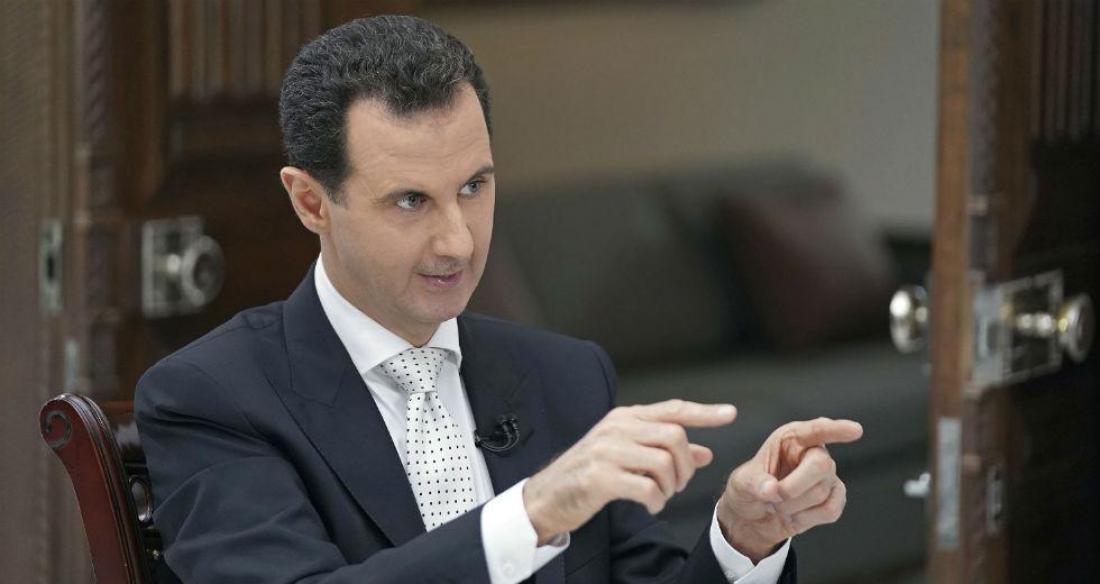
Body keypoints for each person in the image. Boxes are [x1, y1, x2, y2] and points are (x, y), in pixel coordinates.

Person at [135, 14, 863, 584]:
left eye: (474, 187)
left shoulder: (566, 375)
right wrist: (534, 511)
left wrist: (742, 536)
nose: (457, 241)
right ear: (311, 202)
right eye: (411, 200)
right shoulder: (211, 396)